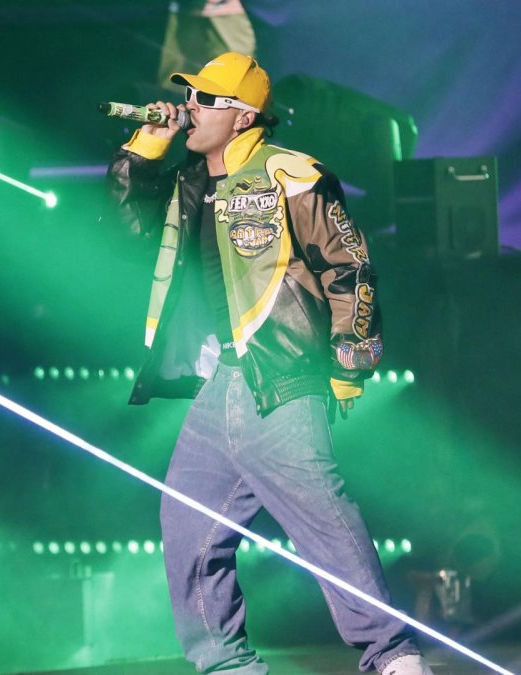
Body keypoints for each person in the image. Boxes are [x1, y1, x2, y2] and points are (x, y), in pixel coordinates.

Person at [104, 52, 433, 675]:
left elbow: (349, 267)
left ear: (242, 114)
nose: (190, 108)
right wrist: (145, 146)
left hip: (282, 374)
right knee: (186, 519)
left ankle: (393, 655)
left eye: (204, 100)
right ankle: (226, 665)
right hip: (222, 379)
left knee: (322, 520)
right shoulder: (189, 180)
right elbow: (122, 229)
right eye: (189, 98)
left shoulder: (292, 173)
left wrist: (350, 361)